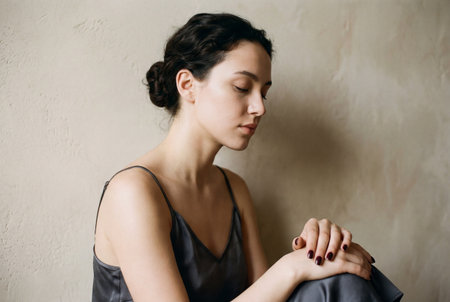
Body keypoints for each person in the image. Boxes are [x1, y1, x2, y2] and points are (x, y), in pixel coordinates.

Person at [92, 13, 403, 302]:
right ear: (187, 85)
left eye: (263, 92)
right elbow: (280, 279)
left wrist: (318, 250)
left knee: (341, 274)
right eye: (242, 87)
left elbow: (267, 294)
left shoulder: (234, 188)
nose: (260, 108)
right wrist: (290, 267)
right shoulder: (132, 192)